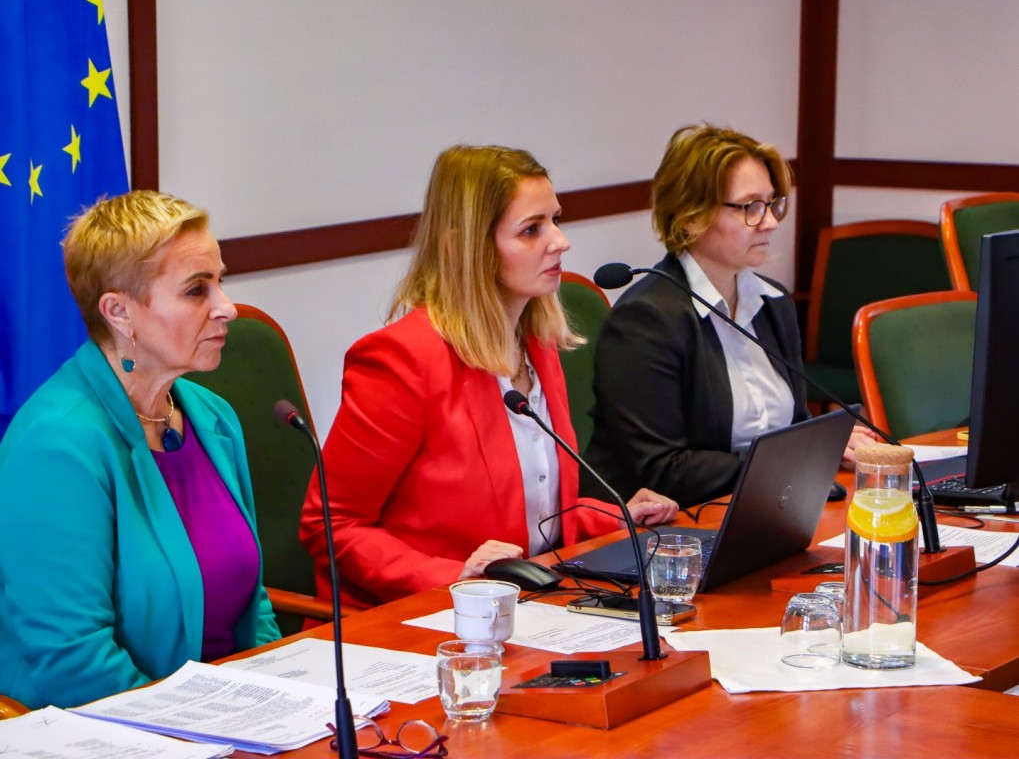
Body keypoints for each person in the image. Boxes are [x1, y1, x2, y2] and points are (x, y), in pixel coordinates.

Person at [300, 144, 678, 610]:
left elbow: (534, 517)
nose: (561, 241)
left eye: (556, 220)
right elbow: (331, 526)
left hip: (532, 603)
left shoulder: (535, 343)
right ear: (467, 248)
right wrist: (455, 578)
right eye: (532, 229)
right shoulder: (401, 359)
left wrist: (617, 517)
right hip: (425, 619)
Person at [0, 191, 280, 709]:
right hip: (105, 725)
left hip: (232, 716)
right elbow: (72, 660)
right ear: (119, 312)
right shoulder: (55, 446)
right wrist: (205, 727)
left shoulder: (212, 417)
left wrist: (278, 700)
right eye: (196, 290)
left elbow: (253, 605)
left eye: (220, 282)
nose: (227, 307)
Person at [583, 124, 874, 506]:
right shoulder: (646, 319)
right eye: (750, 207)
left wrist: (826, 444)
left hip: (762, 506)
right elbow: (661, 469)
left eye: (771, 204)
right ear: (690, 216)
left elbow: (794, 424)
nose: (770, 222)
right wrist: (789, 464)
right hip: (667, 525)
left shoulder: (773, 302)